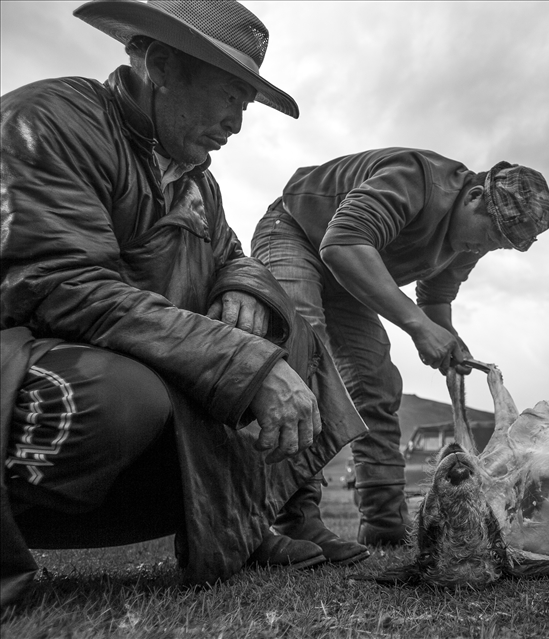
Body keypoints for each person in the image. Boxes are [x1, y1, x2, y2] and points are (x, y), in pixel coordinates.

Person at [0, 0, 368, 608]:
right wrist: (242, 364)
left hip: (134, 353)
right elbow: (64, 287)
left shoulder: (200, 180)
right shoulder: (49, 119)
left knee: (291, 333)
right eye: (230, 97)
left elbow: (230, 253)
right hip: (32, 354)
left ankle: (257, 521)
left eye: (245, 105)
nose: (237, 124)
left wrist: (243, 286)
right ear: (162, 65)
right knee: (118, 397)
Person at [250, 148, 549, 546]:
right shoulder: (415, 178)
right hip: (297, 234)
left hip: (348, 273)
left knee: (375, 385)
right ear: (475, 196)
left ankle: (384, 524)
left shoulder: (468, 242)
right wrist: (418, 327)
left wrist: (447, 336)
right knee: (303, 355)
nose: (487, 247)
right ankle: (295, 519)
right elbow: (342, 244)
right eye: (491, 235)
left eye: (500, 245)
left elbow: (435, 300)